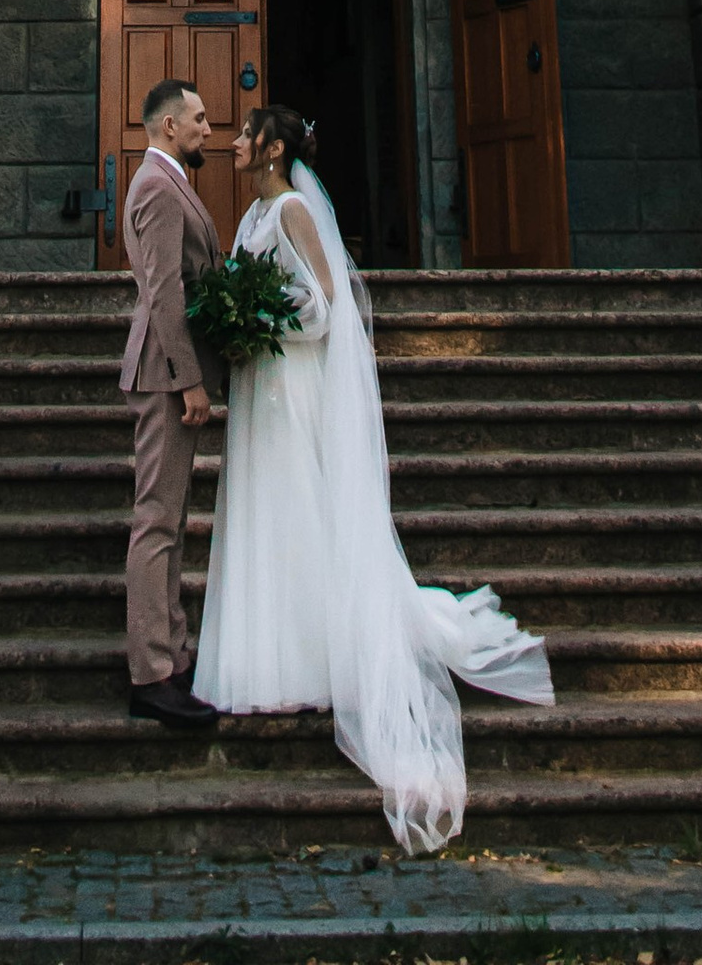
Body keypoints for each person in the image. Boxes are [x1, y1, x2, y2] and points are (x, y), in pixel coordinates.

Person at [193, 103, 553, 847]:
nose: (232, 141)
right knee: (265, 513)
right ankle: (266, 655)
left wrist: (262, 323)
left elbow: (327, 310)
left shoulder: (291, 210)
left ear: (270, 149)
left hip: (291, 385)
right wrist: (238, 323)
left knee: (298, 507)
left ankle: (318, 652)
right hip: (261, 386)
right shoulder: (250, 217)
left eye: (243, 135)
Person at [118, 76, 222, 727]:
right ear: (168, 128)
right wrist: (189, 380)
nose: (208, 129)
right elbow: (163, 294)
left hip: (170, 372)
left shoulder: (170, 181)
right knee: (157, 522)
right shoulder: (156, 187)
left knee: (173, 519)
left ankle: (172, 654)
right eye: (200, 119)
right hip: (162, 375)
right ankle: (150, 674)